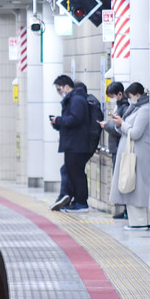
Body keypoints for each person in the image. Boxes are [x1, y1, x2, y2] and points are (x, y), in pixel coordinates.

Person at [108, 82, 150, 230]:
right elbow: (127, 129)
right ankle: (137, 222)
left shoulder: (144, 110)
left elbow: (136, 132)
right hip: (133, 153)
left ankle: (140, 222)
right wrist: (120, 124)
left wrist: (122, 123)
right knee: (132, 186)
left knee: (136, 188)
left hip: (138, 154)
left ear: (138, 95)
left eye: (131, 97)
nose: (130, 100)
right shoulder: (136, 108)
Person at [49, 75, 91, 212]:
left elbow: (75, 119)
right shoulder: (74, 99)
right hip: (73, 143)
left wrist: (59, 120)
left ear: (67, 86)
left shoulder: (76, 99)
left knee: (76, 173)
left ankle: (81, 201)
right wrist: (58, 123)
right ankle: (73, 199)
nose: (60, 93)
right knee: (72, 172)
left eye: (59, 89)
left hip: (77, 144)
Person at [101, 81, 131, 219]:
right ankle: (125, 209)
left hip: (120, 147)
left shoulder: (125, 108)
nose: (112, 99)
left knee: (122, 179)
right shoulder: (120, 106)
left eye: (113, 96)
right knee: (119, 179)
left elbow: (118, 128)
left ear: (120, 93)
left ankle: (127, 210)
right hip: (116, 148)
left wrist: (107, 125)